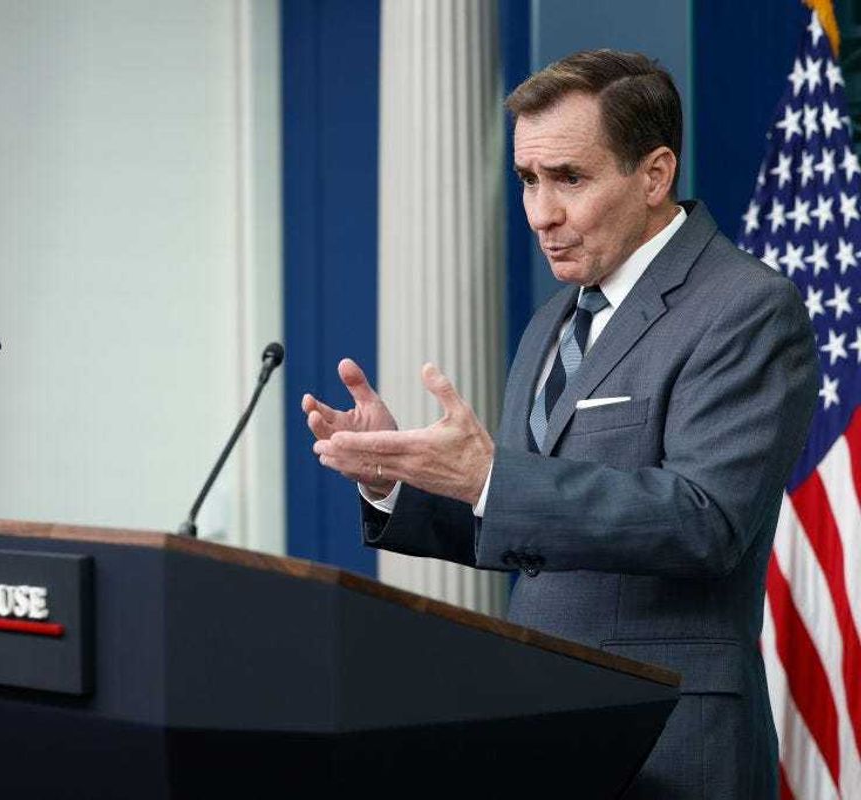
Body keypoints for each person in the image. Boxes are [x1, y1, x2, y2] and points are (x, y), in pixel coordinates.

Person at [303, 50, 818, 798]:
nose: (542, 212)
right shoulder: (553, 321)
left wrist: (491, 477)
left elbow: (706, 522)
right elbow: (528, 528)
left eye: (569, 178)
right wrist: (400, 479)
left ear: (654, 174)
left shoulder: (745, 308)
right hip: (542, 727)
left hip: (672, 738)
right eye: (528, 181)